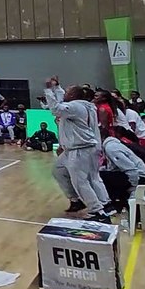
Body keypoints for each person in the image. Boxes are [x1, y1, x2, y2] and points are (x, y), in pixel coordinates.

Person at [52, 86, 113, 223]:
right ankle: (96, 202)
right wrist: (57, 88)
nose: (65, 94)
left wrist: (50, 90)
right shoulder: (87, 106)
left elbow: (55, 108)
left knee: (81, 181)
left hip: (79, 148)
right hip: (83, 147)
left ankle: (97, 210)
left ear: (74, 95)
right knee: (59, 170)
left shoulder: (75, 107)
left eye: (67, 92)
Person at [100, 129, 145, 213]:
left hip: (139, 177)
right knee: (105, 175)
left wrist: (133, 186)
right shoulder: (111, 145)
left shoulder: (111, 148)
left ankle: (111, 204)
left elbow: (131, 168)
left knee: (102, 177)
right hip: (136, 174)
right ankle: (116, 201)